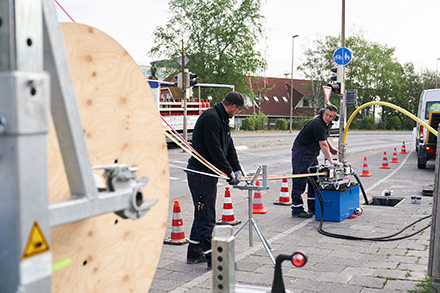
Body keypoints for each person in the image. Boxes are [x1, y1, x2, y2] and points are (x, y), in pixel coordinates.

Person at [186, 91, 247, 269]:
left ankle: (194, 252)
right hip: (201, 174)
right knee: (206, 215)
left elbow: (228, 147)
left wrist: (236, 168)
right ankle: (213, 259)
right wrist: (228, 173)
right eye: (238, 110)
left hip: (208, 174)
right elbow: (215, 150)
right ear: (233, 107)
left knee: (201, 212)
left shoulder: (222, 119)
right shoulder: (211, 118)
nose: (237, 113)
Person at [291, 104, 341, 218]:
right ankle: (297, 209)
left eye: (331, 116)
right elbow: (322, 144)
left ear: (334, 117)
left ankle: (313, 207)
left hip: (311, 154)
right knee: (300, 179)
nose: (327, 118)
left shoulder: (325, 124)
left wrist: (331, 147)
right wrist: (331, 161)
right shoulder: (318, 123)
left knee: (314, 179)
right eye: (326, 115)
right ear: (323, 112)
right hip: (302, 153)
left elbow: (324, 137)